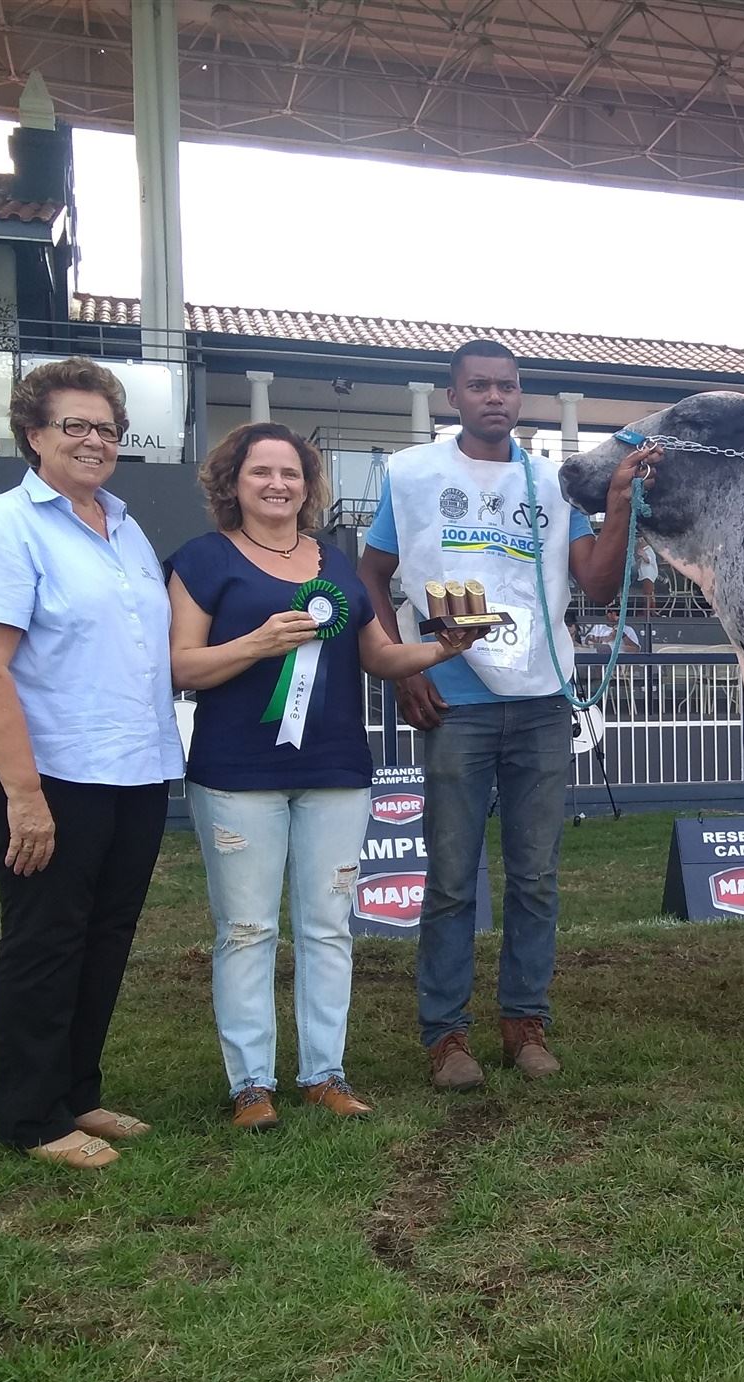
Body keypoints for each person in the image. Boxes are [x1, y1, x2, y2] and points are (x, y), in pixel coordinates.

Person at [168, 423, 477, 1132]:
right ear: (231, 482)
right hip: (236, 774)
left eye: (292, 473)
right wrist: (255, 643)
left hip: (336, 770)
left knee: (328, 926)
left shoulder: (334, 566)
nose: (278, 484)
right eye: (261, 472)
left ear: (309, 486)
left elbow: (377, 657)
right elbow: (181, 666)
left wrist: (439, 649)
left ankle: (324, 1073)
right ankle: (251, 1083)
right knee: (247, 929)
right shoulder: (202, 560)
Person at [357, 338, 643, 1091]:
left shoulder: (552, 482)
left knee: (537, 876)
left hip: (543, 702)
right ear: (454, 395)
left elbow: (599, 584)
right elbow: (372, 574)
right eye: (479, 385)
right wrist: (400, 663)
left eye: (508, 387)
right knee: (451, 877)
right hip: (456, 699)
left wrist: (615, 508)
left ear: (521, 397)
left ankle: (525, 1020)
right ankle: (447, 1035)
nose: (495, 397)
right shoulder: (413, 474)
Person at [0, 357, 184, 1170]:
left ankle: (77, 1091)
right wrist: (24, 794)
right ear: (32, 434)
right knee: (46, 937)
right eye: (74, 426)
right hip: (45, 772)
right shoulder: (4, 526)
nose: (94, 440)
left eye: (107, 428)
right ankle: (31, 1117)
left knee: (105, 934)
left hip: (133, 767)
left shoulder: (124, 524)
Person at [633, 537, 659, 616]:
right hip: (646, 575)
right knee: (650, 594)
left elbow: (648, 560)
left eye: (641, 540)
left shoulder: (648, 550)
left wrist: (642, 554)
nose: (639, 541)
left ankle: (646, 613)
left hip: (648, 575)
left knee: (647, 594)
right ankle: (652, 611)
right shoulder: (646, 550)